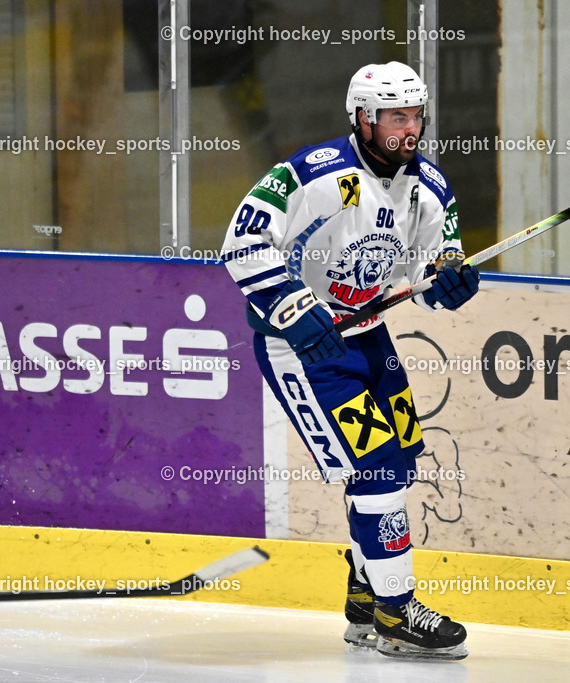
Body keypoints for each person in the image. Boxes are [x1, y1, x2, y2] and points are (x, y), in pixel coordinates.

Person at [221, 61, 479, 661]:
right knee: (378, 468)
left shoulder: (430, 186)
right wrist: (289, 305)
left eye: (415, 116)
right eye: (395, 117)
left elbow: (433, 261)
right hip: (308, 347)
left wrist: (447, 280)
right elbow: (242, 241)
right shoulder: (312, 174)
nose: (408, 129)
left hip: (369, 335)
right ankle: (395, 611)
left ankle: (366, 606)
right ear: (363, 119)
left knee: (400, 460)